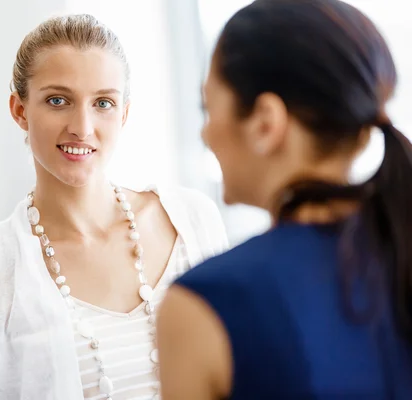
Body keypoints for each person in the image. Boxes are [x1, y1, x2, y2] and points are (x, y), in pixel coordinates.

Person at [0, 14, 228, 400]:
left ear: (124, 114)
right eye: (58, 100)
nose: (82, 127)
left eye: (103, 103)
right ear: (20, 111)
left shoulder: (192, 220)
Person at [157, 0, 412, 399]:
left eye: (208, 107)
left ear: (265, 122)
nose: (205, 134)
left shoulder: (206, 305)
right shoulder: (398, 248)